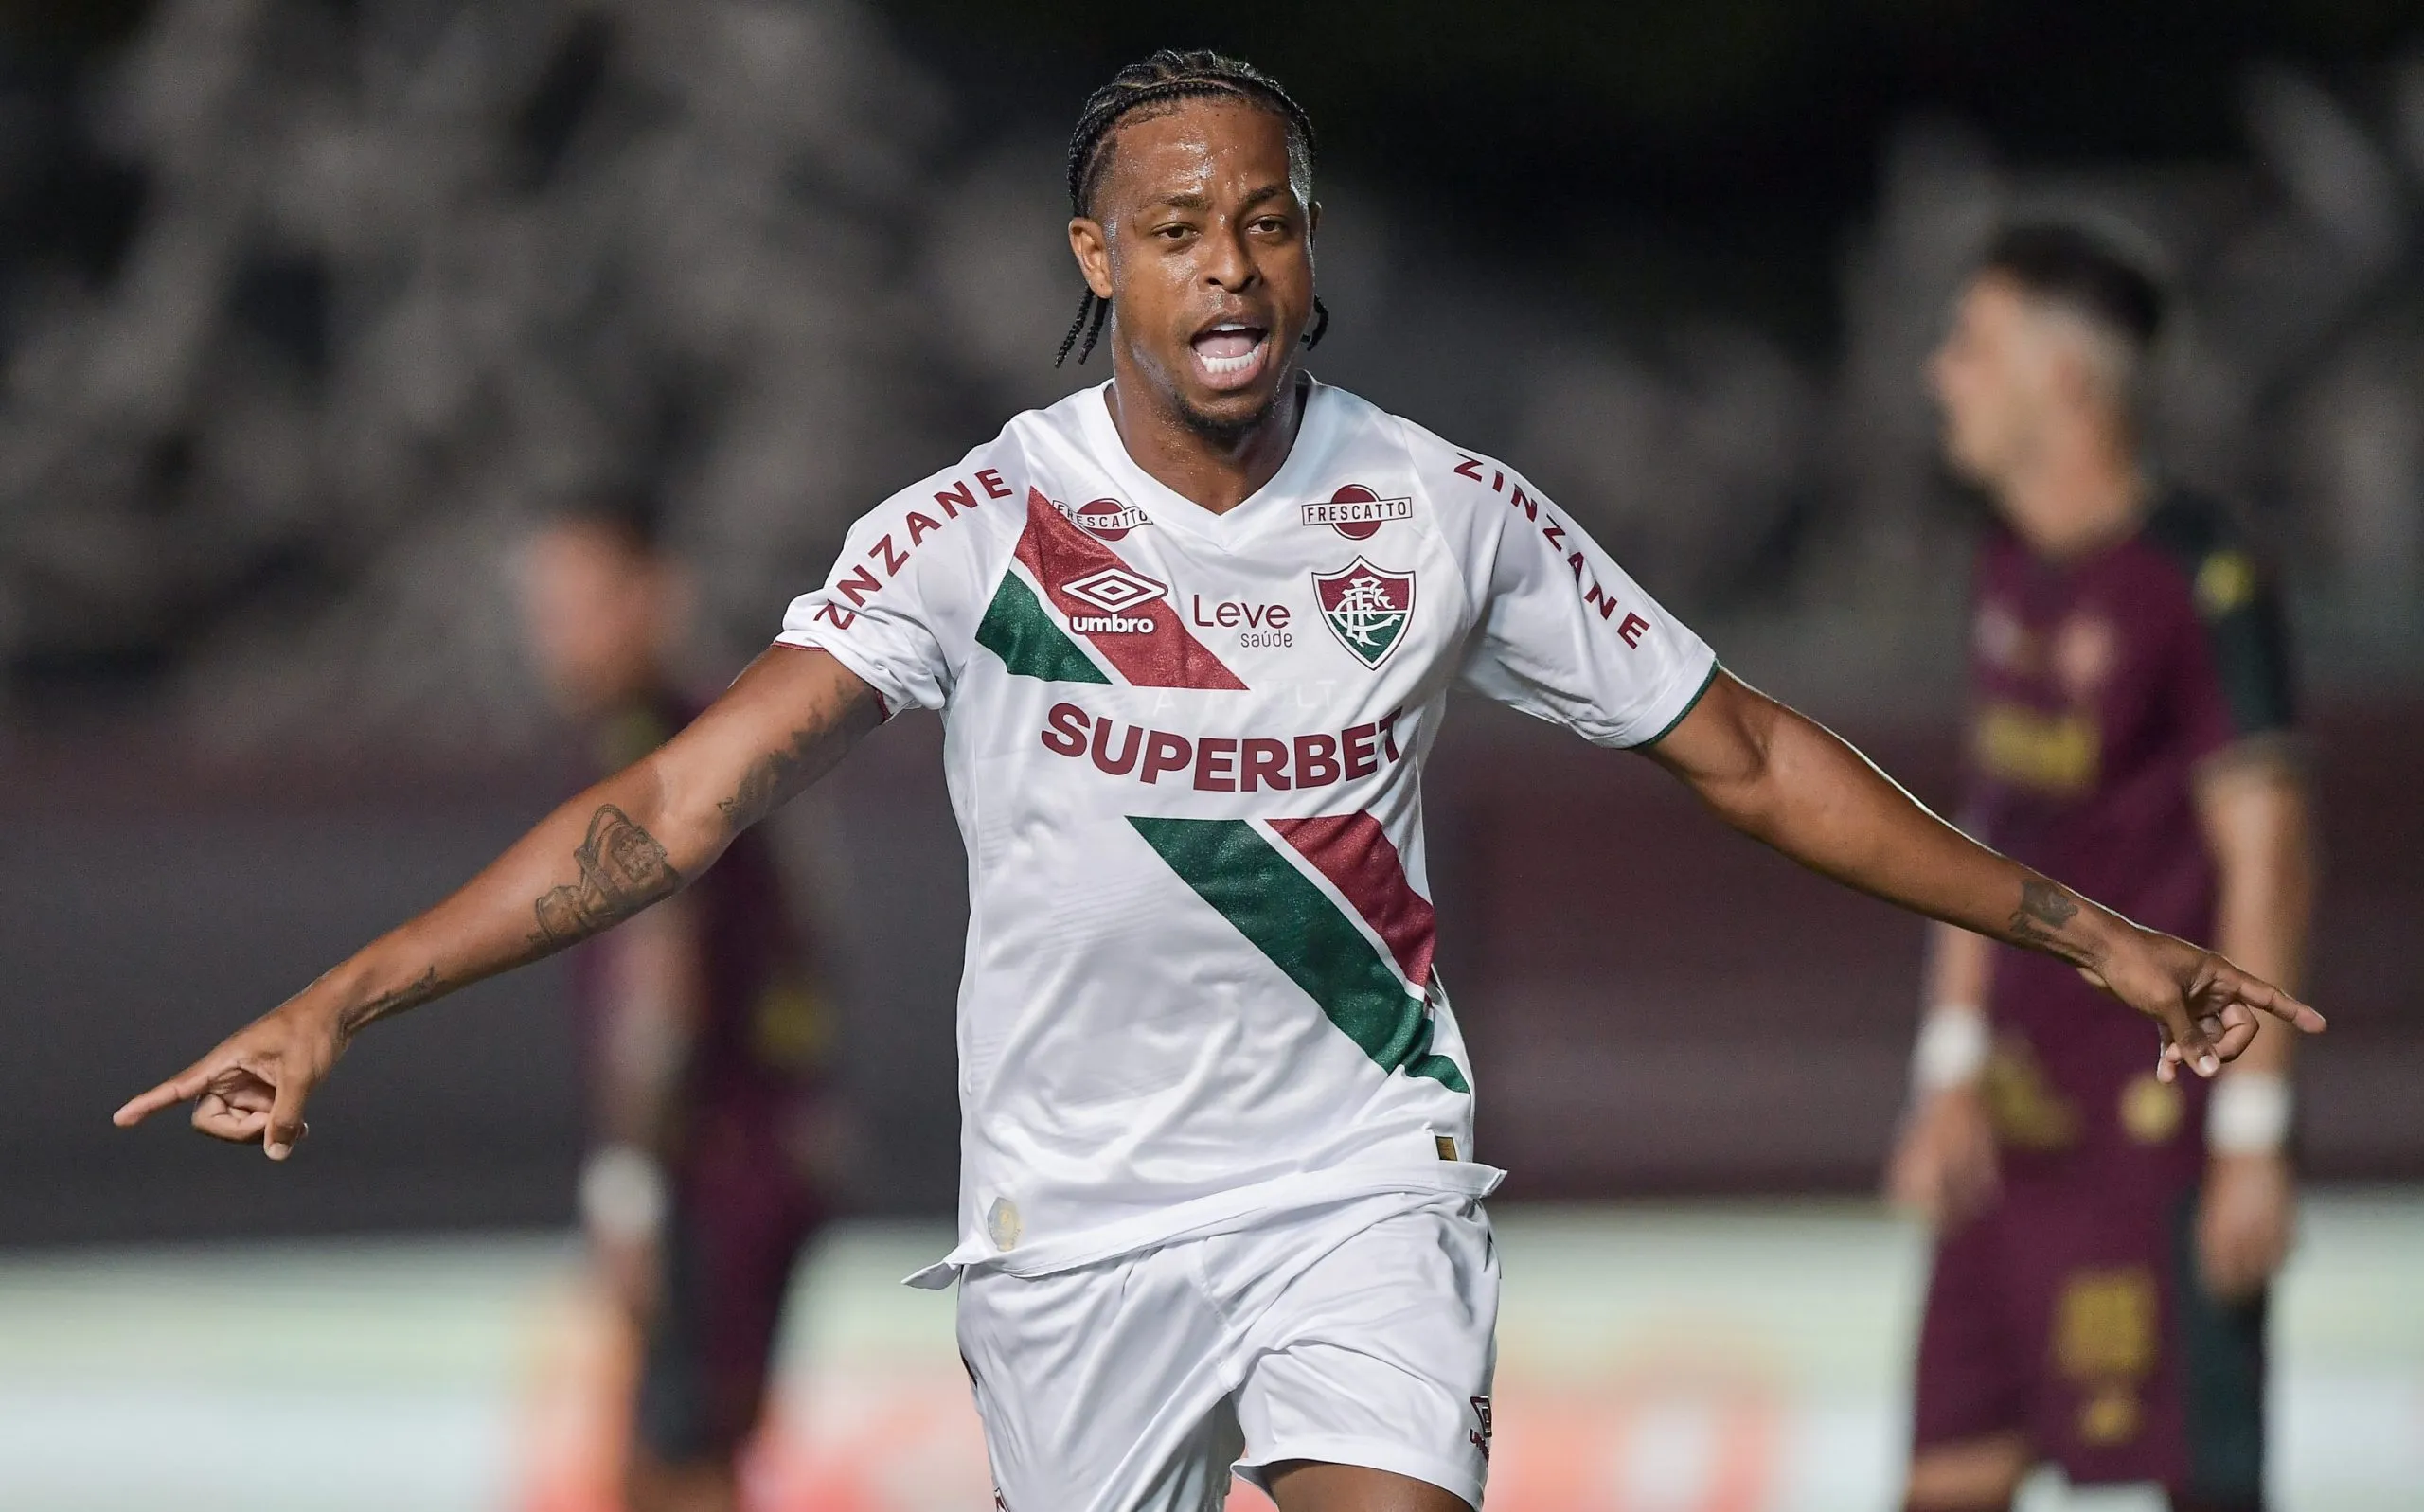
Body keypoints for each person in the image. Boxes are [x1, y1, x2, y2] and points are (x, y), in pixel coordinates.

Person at [118, 53, 2319, 1512]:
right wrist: (349, 993)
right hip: (1067, 1233)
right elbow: (668, 813)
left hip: (1358, 1182)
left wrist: (2097, 932)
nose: (1228, 269)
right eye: (1176, 232)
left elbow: (1740, 751)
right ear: (1102, 265)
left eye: (1260, 224)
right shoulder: (975, 529)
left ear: (1305, 241)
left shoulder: (1440, 509)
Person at [1887, 224, 2314, 1512]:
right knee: (1945, 1478)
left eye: (1971, 344)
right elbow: (1991, 833)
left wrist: (2253, 1136)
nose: (1937, 373)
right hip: (2007, 1128)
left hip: (2154, 1136)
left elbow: (2273, 852)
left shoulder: (2202, 578)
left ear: (2065, 380)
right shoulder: (2006, 561)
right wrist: (1947, 1066)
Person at [517, 504, 841, 1512]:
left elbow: (659, 980)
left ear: (657, 595)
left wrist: (629, 1184)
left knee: (679, 1471)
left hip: (712, 1165)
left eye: (585, 600)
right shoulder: (723, 731)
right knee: (677, 1458)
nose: (558, 633)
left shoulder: (648, 753)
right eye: (544, 607)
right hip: (761, 1155)